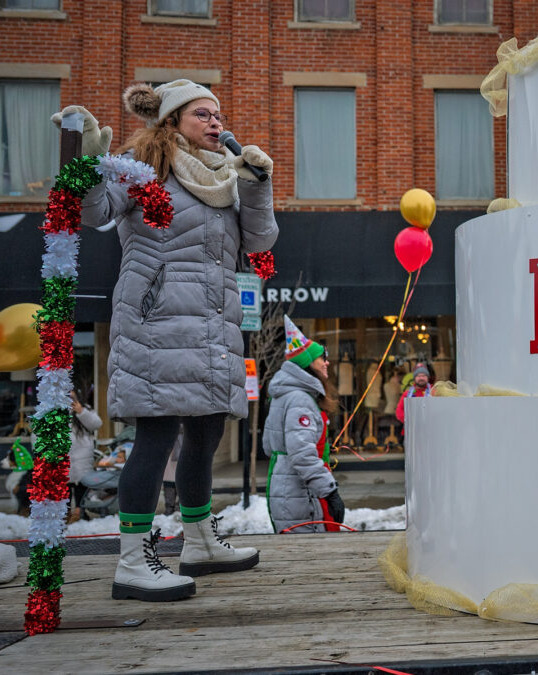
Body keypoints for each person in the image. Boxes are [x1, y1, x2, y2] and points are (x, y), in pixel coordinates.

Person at [59, 78, 277, 602]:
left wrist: (258, 185)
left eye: (218, 115)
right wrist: (87, 167)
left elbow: (262, 242)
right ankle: (133, 561)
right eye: (202, 114)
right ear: (173, 121)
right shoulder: (145, 169)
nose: (215, 122)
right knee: (157, 437)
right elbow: (94, 213)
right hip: (156, 325)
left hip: (211, 325)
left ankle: (200, 541)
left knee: (204, 435)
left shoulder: (227, 177)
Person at [263, 317, 346, 534]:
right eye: (322, 357)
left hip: (287, 488)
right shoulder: (300, 400)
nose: (327, 362)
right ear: (307, 364)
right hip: (298, 494)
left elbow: (268, 445)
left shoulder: (288, 395)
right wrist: (329, 492)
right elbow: (301, 454)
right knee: (307, 554)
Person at [67, 389, 103, 523]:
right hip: (63, 455)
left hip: (82, 455)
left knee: (82, 485)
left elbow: (97, 424)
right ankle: (66, 515)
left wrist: (81, 411)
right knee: (65, 487)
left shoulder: (85, 409)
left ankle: (81, 512)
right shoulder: (55, 411)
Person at [395, 362, 432, 435]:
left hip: (430, 431)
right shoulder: (407, 394)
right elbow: (399, 411)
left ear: (428, 377)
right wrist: (410, 421)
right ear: (414, 378)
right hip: (412, 431)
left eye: (424, 375)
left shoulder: (434, 392)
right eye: (418, 376)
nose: (421, 378)